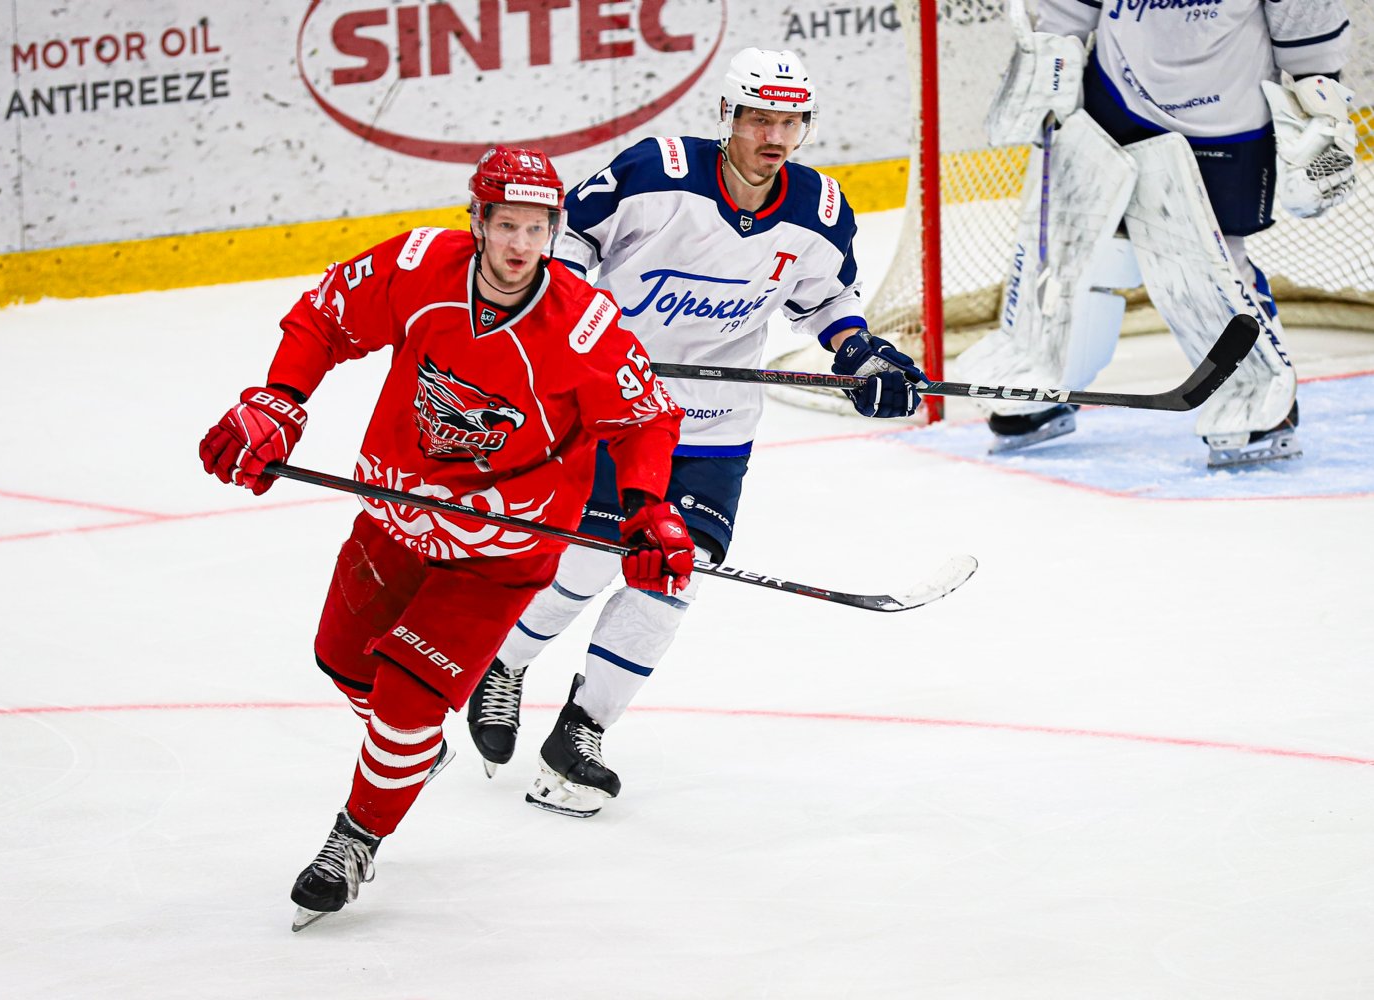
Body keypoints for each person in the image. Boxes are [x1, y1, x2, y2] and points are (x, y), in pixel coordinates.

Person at [198, 146, 690, 930]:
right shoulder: (419, 265)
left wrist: (647, 508)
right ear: (478, 220)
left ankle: (355, 837)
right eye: (507, 225)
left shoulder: (582, 323)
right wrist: (278, 400)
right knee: (341, 660)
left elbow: (645, 418)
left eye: (537, 228)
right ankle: (413, 751)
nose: (521, 245)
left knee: (405, 699)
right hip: (395, 518)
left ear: (554, 230)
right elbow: (324, 315)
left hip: (499, 554)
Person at [464, 48, 927, 818]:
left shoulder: (818, 207)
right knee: (593, 552)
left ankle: (581, 732)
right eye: (760, 119)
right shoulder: (658, 172)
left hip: (716, 424)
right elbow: (571, 238)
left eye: (790, 122)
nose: (775, 136)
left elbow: (825, 300)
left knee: (675, 570)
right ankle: (504, 665)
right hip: (617, 404)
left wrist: (859, 352)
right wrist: (568, 316)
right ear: (727, 117)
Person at [960, 0, 1355, 467]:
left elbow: (1311, 46)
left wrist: (1321, 112)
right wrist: (1049, 59)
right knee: (1078, 245)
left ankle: (1255, 395)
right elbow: (1065, 15)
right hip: (1115, 99)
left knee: (1208, 267)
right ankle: (1046, 379)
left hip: (1225, 123)